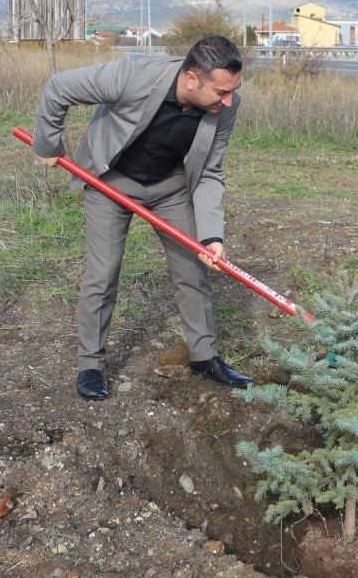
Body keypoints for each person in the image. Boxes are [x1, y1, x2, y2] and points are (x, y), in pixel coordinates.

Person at [31, 35, 253, 400]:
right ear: (192, 78)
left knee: (192, 270)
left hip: (170, 186)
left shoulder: (226, 107)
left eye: (233, 91)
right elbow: (59, 87)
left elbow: (210, 172)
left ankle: (205, 357)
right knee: (103, 274)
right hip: (110, 180)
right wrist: (47, 144)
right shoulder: (132, 74)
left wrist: (212, 236)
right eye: (221, 92)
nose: (229, 100)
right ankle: (91, 366)